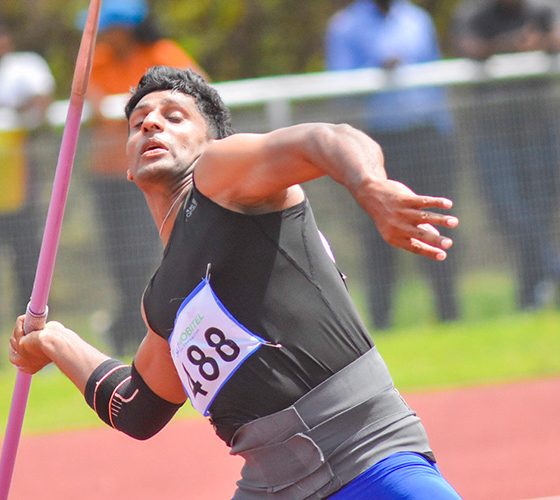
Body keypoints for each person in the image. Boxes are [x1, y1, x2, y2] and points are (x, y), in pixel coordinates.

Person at [10, 66, 461, 498]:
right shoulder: (162, 298)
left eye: (173, 116)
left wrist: (369, 184)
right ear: (129, 168)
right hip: (272, 486)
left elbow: (327, 138)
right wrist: (53, 340)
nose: (150, 124)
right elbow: (138, 407)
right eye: (137, 123)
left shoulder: (220, 176)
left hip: (365, 456)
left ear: (213, 142)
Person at [82, 0, 208, 355]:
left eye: (108, 27)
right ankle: (133, 329)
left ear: (125, 28)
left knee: (154, 255)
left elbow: (202, 95)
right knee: (121, 261)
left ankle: (159, 325)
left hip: (159, 178)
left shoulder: (163, 54)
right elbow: (92, 100)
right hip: (111, 176)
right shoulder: (100, 60)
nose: (103, 35)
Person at [325, 0, 460, 330]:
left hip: (427, 137)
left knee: (435, 223)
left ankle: (449, 314)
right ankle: (381, 322)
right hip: (380, 143)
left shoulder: (417, 18)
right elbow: (339, 83)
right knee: (378, 232)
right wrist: (375, 68)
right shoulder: (345, 25)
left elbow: (435, 76)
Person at [451, 0, 560, 309]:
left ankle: (529, 297)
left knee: (539, 215)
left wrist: (538, 43)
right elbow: (469, 47)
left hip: (538, 130)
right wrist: (510, 45)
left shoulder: (541, 10)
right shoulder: (474, 13)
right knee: (508, 212)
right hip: (494, 135)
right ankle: (554, 271)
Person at [0, 21, 55, 320]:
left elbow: (40, 101)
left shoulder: (25, 67)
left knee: (26, 253)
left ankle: (30, 321)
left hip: (19, 180)